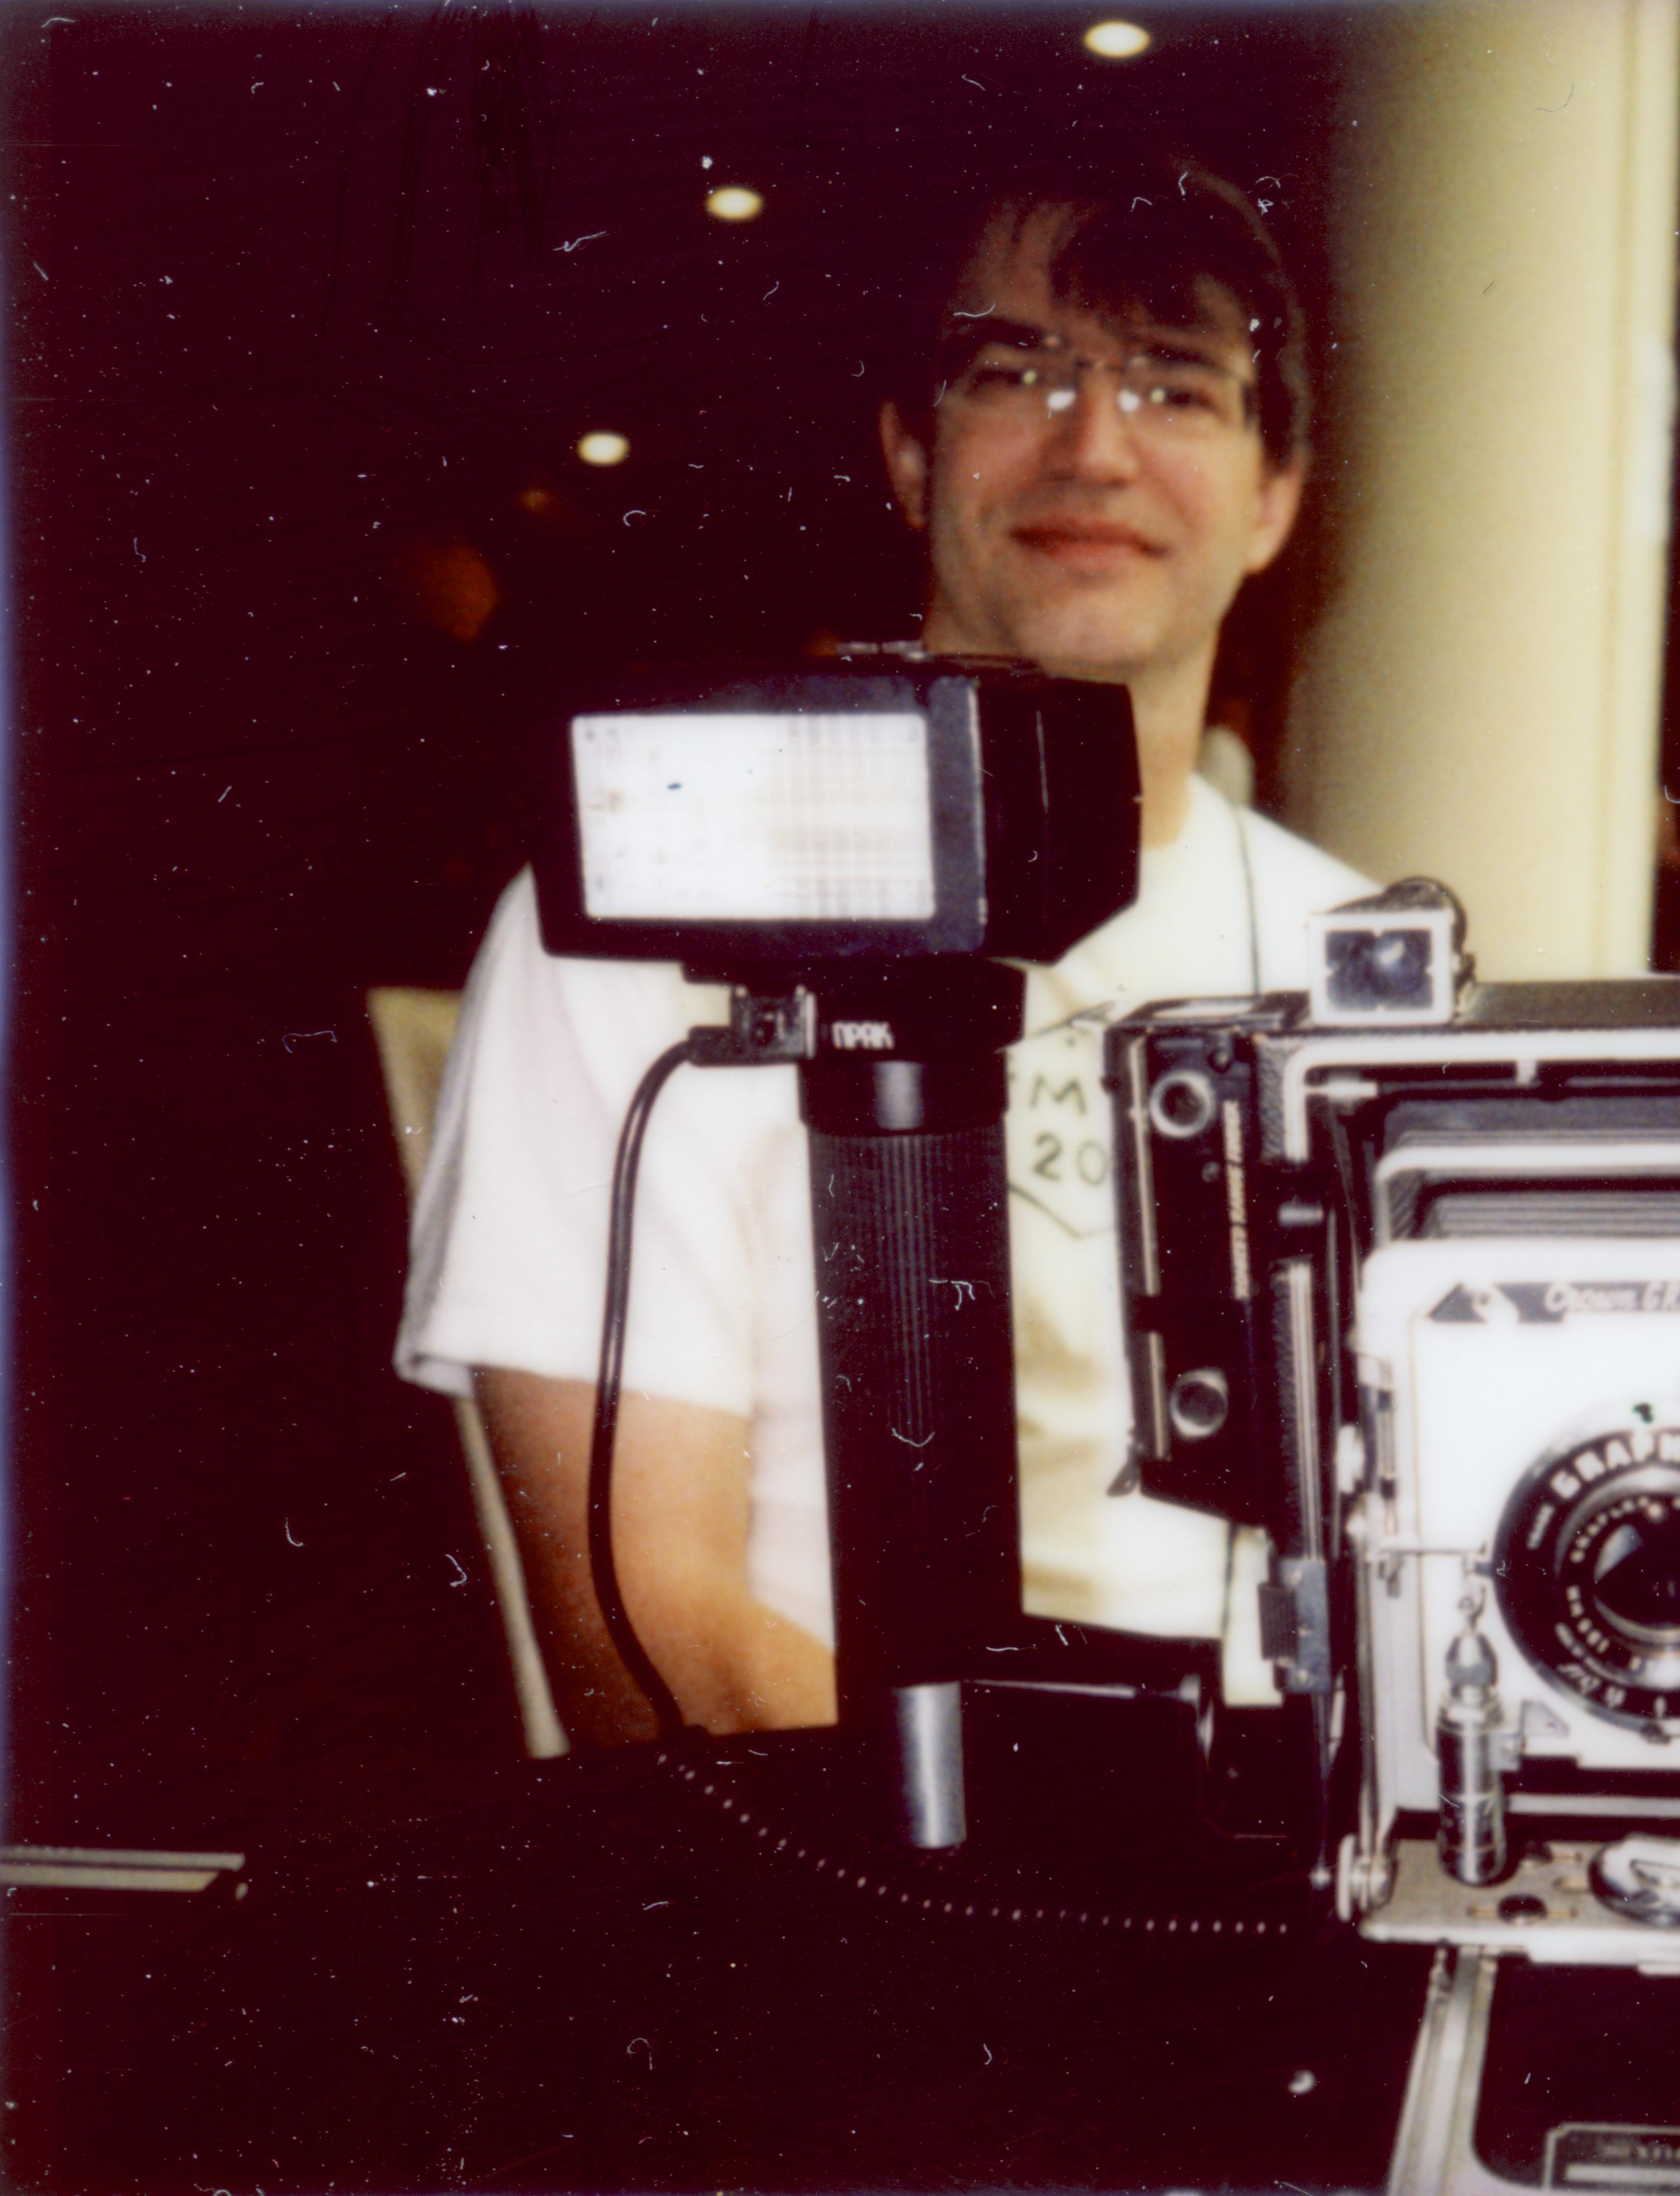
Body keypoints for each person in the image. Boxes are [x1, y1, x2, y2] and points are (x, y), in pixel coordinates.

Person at [396, 158, 1373, 1743]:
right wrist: (1079, 1862)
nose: (1093, 442)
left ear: (1273, 498)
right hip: (844, 1856)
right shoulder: (642, 918)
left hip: (1310, 1857)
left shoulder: (1364, 968)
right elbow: (647, 1636)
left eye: (1175, 387)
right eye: (1013, 372)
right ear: (910, 457)